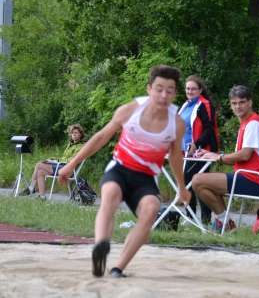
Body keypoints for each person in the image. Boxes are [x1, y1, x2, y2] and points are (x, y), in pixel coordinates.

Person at [58, 65, 191, 278]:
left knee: (151, 209)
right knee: (110, 194)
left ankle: (118, 268)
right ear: (149, 89)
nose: (163, 95)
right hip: (120, 169)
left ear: (175, 93)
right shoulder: (130, 110)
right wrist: (71, 164)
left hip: (145, 178)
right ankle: (101, 245)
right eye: (159, 89)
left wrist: (182, 188)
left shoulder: (177, 123)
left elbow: (176, 157)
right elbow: (100, 138)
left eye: (169, 90)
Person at [192, 85, 259, 233]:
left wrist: (218, 157)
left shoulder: (253, 123)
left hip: (253, 180)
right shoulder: (246, 123)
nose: (237, 106)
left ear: (250, 103)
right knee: (203, 183)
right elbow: (239, 157)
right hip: (247, 177)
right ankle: (226, 225)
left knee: (197, 181)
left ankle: (226, 224)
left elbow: (244, 155)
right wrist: (214, 156)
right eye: (234, 103)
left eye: (241, 102)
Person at [178, 75, 219, 225]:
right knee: (188, 181)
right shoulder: (186, 105)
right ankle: (191, 217)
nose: (190, 91)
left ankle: (204, 220)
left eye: (193, 88)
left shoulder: (204, 104)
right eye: (188, 88)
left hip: (202, 151)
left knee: (198, 183)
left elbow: (209, 130)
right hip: (185, 152)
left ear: (200, 90)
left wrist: (197, 144)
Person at [20, 124, 85, 199]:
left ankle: (31, 188)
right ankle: (42, 196)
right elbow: (63, 158)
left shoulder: (81, 146)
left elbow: (73, 160)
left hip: (67, 169)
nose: (74, 134)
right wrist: (52, 159)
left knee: (39, 164)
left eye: (76, 133)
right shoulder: (70, 145)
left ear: (80, 134)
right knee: (40, 171)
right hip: (61, 165)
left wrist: (56, 161)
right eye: (72, 132)